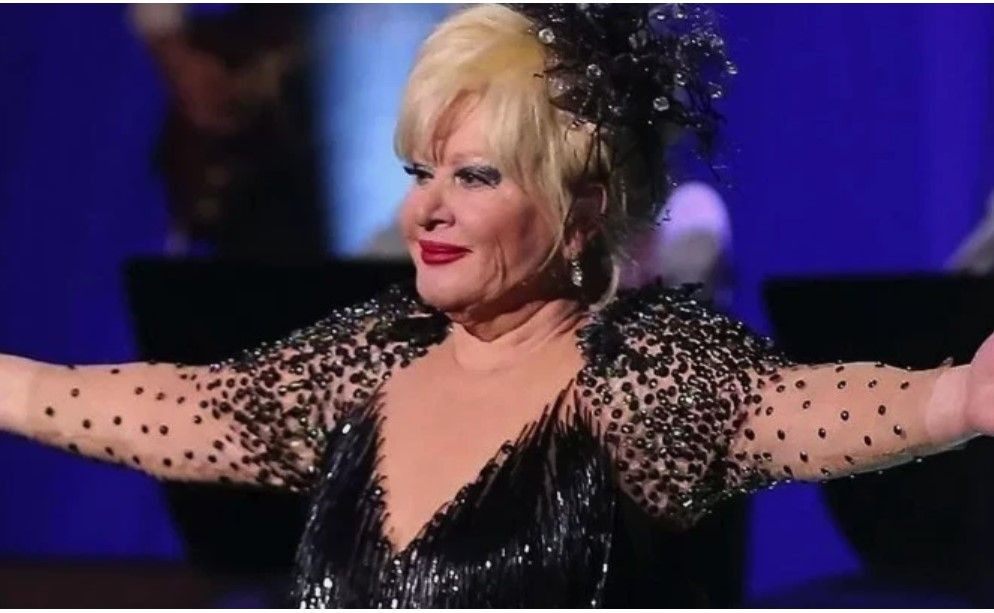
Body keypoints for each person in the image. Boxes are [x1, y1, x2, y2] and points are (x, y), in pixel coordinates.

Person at [1, 4, 992, 607]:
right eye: (419, 172)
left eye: (473, 176)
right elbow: (187, 408)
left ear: (578, 211)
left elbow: (791, 407)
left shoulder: (639, 375)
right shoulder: (370, 359)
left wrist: (954, 399)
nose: (423, 209)